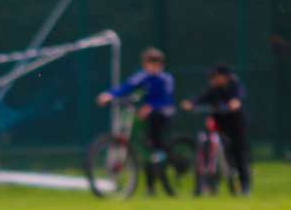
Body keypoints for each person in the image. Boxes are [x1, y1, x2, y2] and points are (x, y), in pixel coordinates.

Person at [97, 47, 175, 196]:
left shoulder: (166, 79)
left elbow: (166, 99)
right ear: (145, 65)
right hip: (147, 114)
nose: (152, 67)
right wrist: (109, 95)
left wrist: (151, 107)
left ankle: (159, 150)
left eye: (155, 64)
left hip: (164, 113)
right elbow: (127, 86)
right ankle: (150, 188)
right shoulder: (143, 77)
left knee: (154, 124)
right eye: (149, 64)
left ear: (161, 65)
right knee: (146, 149)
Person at [180, 61, 251, 196]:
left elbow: (239, 96)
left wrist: (235, 102)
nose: (213, 80)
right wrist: (190, 103)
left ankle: (245, 185)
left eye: (216, 77)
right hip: (219, 123)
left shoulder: (235, 86)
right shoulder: (213, 89)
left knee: (238, 154)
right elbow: (201, 97)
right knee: (206, 145)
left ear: (225, 76)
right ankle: (204, 185)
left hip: (235, 124)